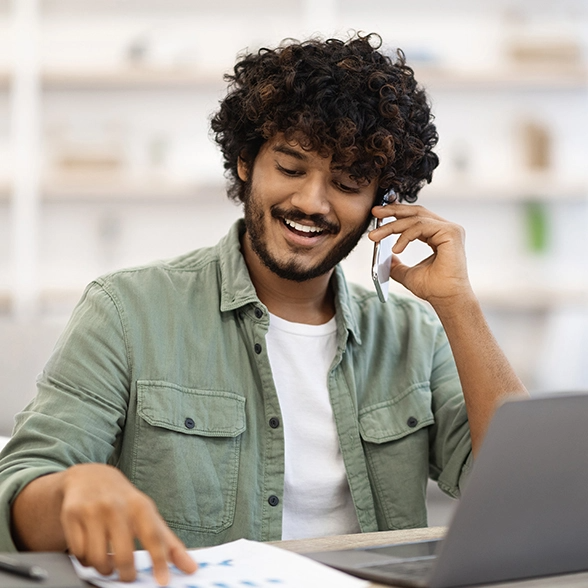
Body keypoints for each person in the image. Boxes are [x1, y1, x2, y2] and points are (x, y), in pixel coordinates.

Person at [0, 33, 527, 585]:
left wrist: (459, 305)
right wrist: (71, 490)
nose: (311, 202)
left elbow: (520, 497)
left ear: (381, 203)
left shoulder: (414, 334)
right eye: (292, 168)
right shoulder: (128, 312)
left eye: (347, 182)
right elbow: (23, 488)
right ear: (246, 161)